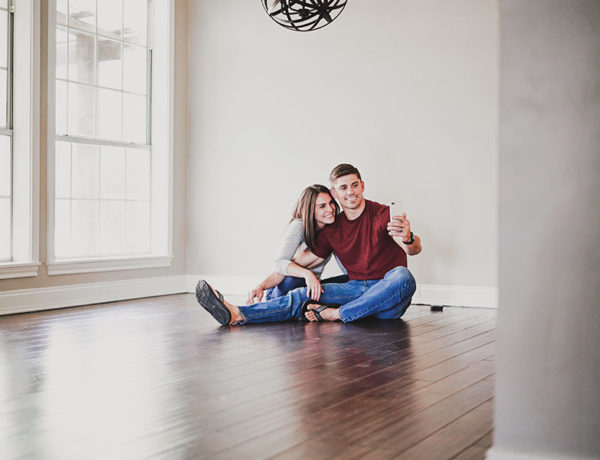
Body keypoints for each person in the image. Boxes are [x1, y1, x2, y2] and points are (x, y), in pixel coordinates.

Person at [195, 163, 422, 325]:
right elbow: (294, 263)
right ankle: (237, 314)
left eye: (354, 185)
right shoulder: (333, 229)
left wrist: (408, 238)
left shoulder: (383, 214)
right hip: (355, 289)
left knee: (403, 276)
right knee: (305, 293)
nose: (350, 192)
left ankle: (336, 314)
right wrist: (262, 285)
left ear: (362, 186)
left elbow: (414, 249)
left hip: (387, 297)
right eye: (343, 188)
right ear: (334, 193)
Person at [246, 185, 349, 304]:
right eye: (322, 206)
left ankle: (308, 307)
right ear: (310, 209)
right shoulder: (299, 226)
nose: (330, 209)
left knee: (350, 280)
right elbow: (280, 264)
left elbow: (344, 264)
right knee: (295, 280)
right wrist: (307, 274)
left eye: (331, 203)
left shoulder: (333, 229)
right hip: (284, 285)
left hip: (309, 286)